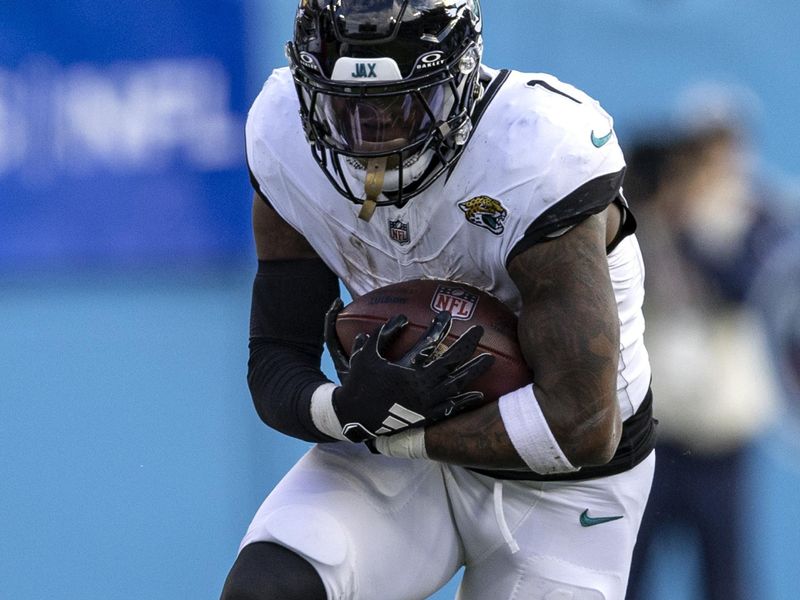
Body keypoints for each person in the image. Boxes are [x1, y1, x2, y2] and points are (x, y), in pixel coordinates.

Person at [220, 1, 656, 598]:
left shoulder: (535, 153)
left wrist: (379, 428)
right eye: (345, 104)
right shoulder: (282, 137)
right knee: (269, 589)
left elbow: (580, 425)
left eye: (397, 103)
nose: (367, 129)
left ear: (459, 79)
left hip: (568, 485)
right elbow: (274, 361)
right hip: (405, 453)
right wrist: (345, 407)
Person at [623, 101, 786, 600]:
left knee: (725, 580)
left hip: (720, 441)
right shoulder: (645, 221)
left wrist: (693, 226)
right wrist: (649, 210)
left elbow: (744, 285)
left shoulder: (757, 215)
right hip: (652, 435)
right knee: (629, 572)